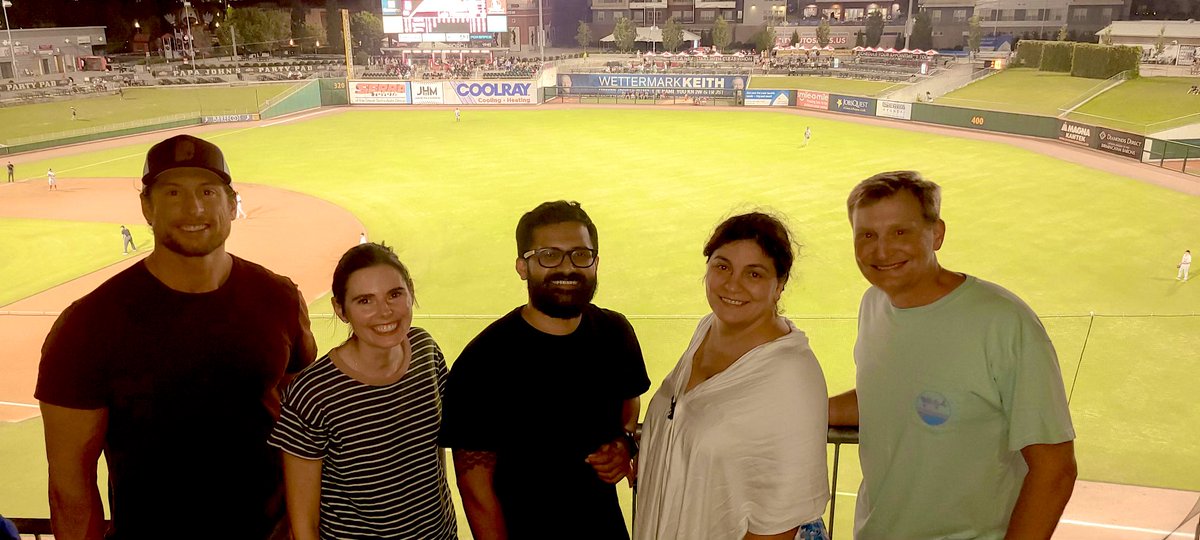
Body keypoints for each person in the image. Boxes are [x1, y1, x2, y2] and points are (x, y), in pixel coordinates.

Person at [36, 134, 318, 540]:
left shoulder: (279, 297)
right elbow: (70, 490)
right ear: (147, 207)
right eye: (172, 193)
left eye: (208, 191)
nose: (194, 208)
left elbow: (302, 425)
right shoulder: (85, 326)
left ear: (230, 204)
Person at [828, 171, 1077, 539]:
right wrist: (796, 410)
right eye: (867, 235)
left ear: (937, 234)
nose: (881, 251)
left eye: (900, 232)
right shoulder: (874, 305)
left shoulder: (1003, 322)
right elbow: (888, 397)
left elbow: (1054, 469)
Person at [439, 200, 650, 539]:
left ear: (596, 262)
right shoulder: (483, 362)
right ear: (523, 266)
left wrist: (624, 442)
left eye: (580, 254)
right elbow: (475, 488)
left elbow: (630, 401)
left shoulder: (615, 332)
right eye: (549, 255)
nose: (567, 268)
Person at [635, 212, 830, 540]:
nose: (732, 284)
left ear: (779, 285)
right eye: (722, 266)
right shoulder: (706, 330)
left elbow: (780, 525)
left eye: (754, 273)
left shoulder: (791, 375)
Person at [270, 243, 457, 539]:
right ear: (340, 310)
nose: (385, 312)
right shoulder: (313, 392)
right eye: (365, 301)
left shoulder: (425, 350)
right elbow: (304, 521)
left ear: (411, 292)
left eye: (395, 294)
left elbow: (433, 458)